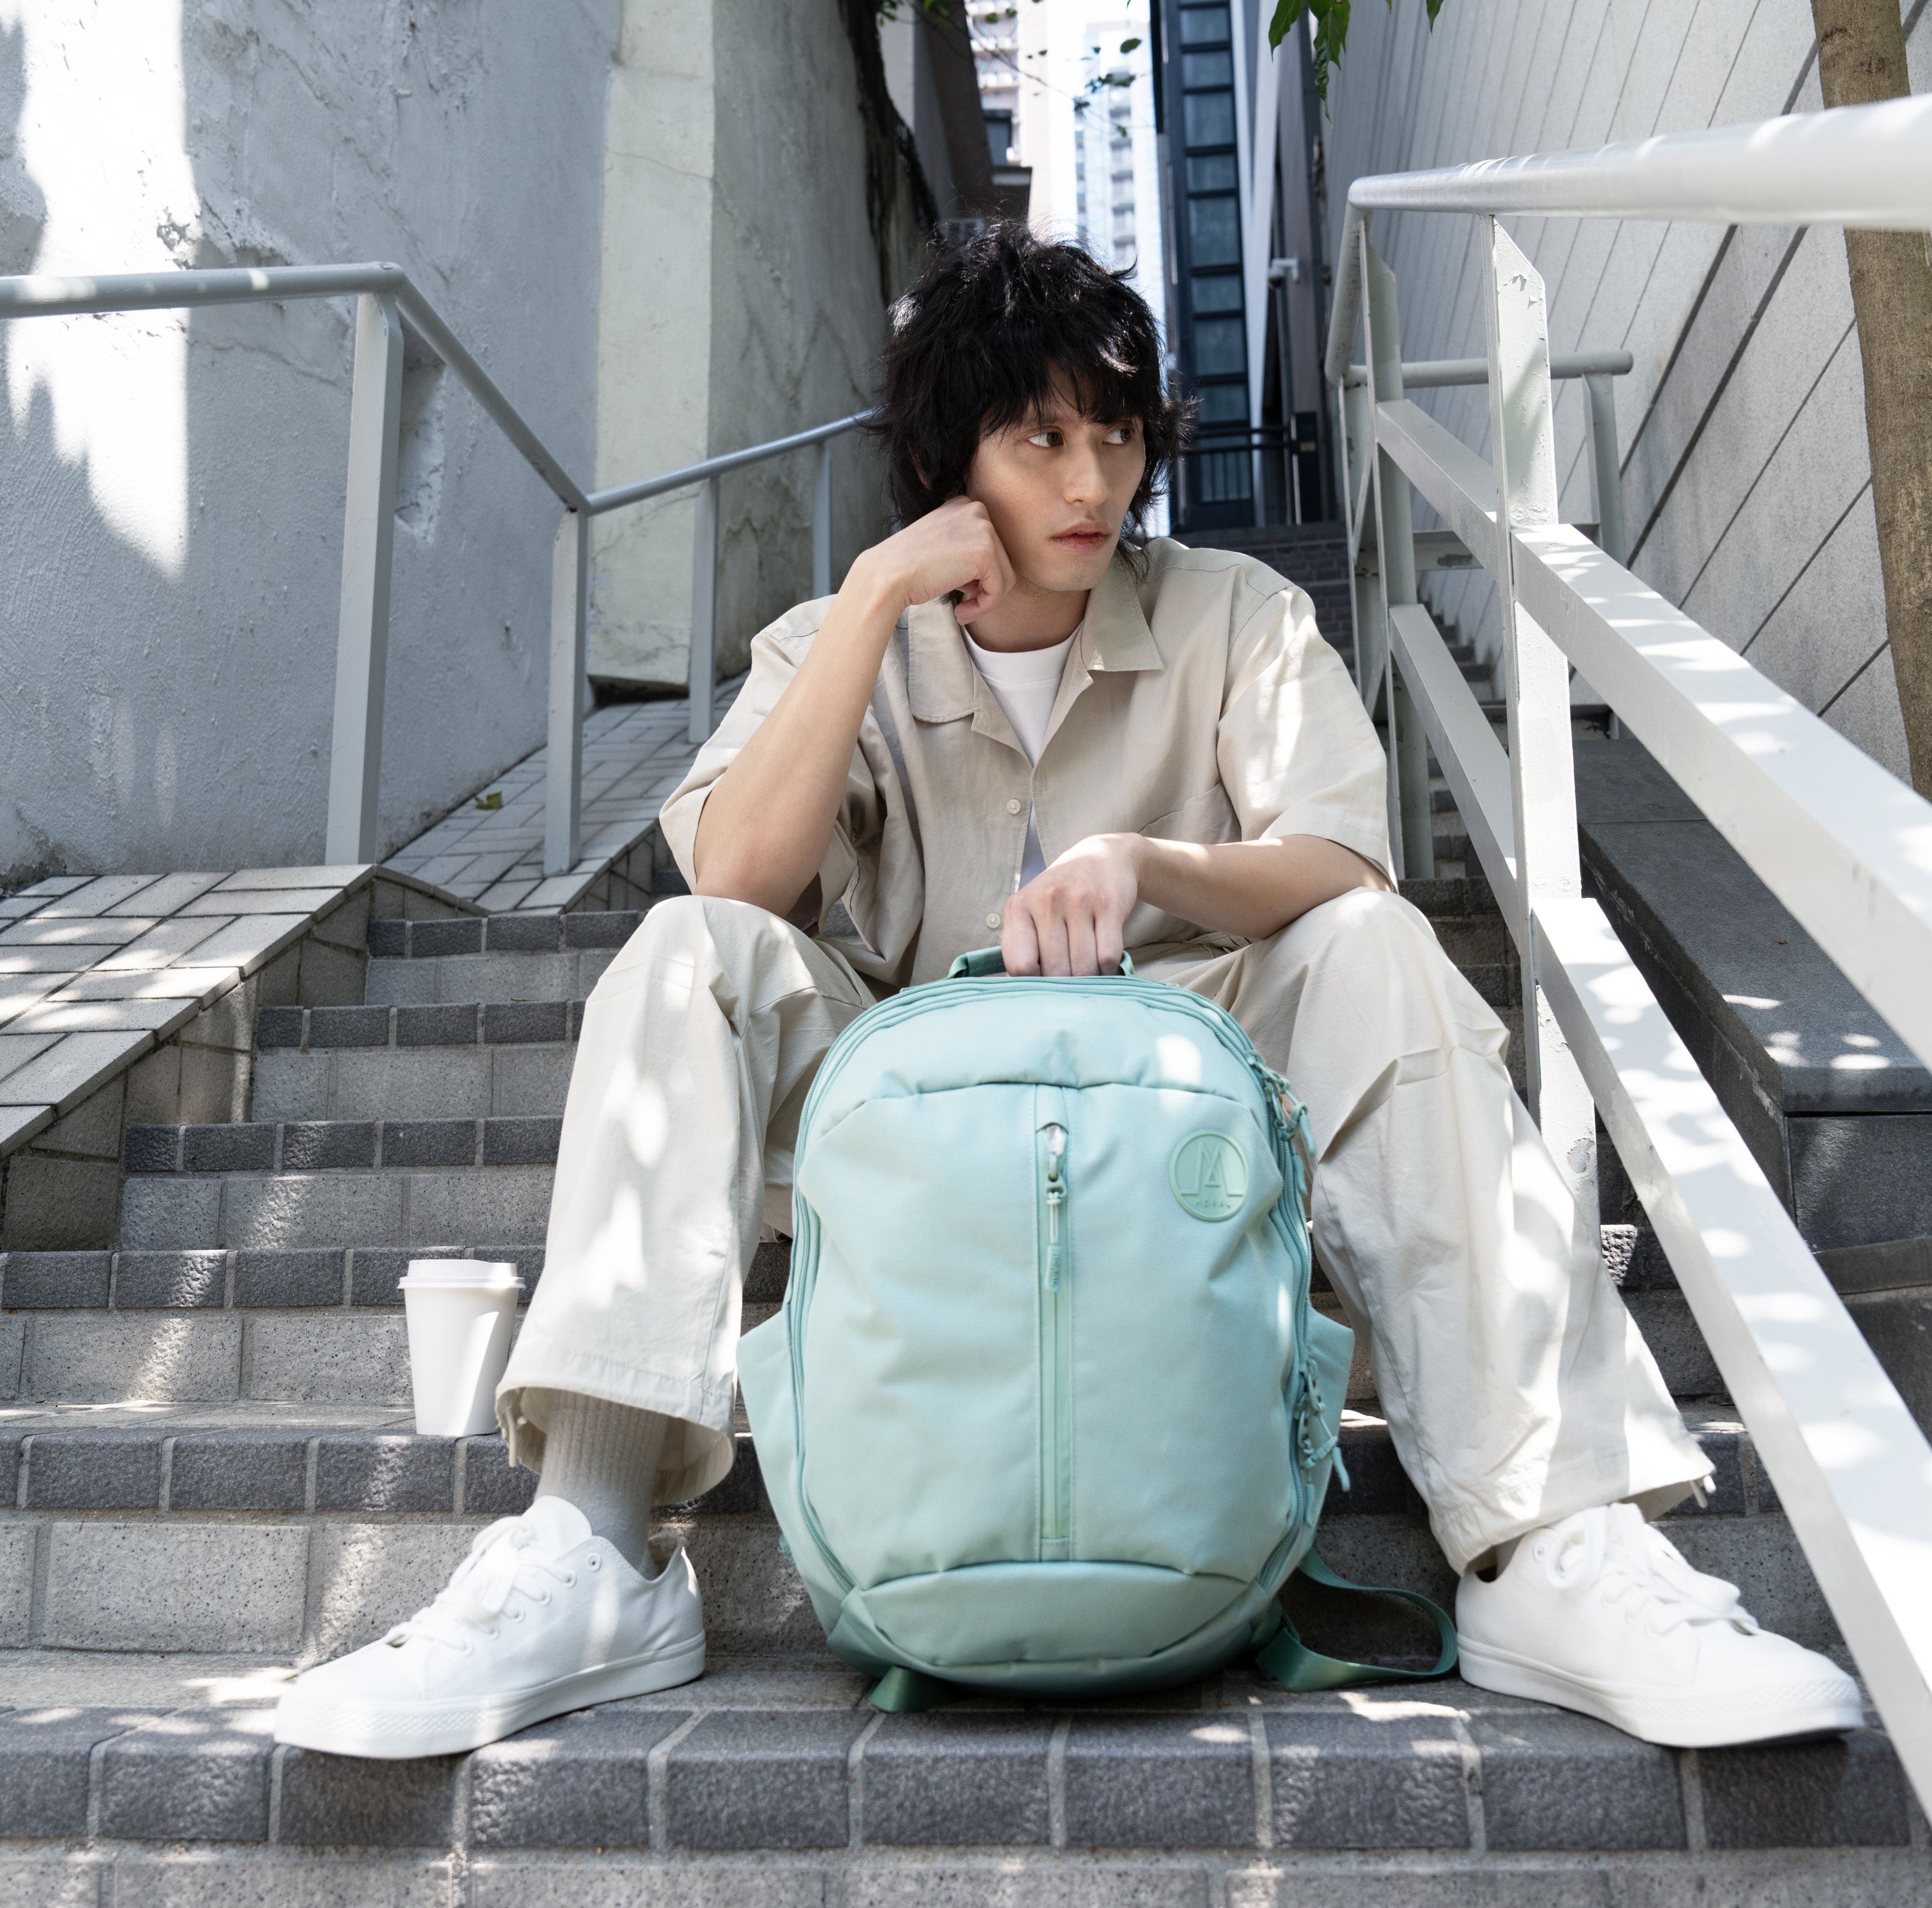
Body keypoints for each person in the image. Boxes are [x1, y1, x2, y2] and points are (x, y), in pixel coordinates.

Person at [275, 225, 1861, 1760]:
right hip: (923, 1142)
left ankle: (1559, 1540)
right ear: (950, 457)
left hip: (1195, 1139)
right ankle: (591, 1544)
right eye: (1040, 438)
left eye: (1115, 433)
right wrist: (873, 603)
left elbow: (1344, 860)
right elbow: (736, 881)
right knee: (687, 954)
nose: (1093, 483)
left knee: (1376, 944)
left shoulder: (1236, 612)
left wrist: (1146, 863)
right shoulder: (838, 640)